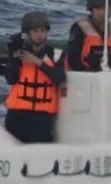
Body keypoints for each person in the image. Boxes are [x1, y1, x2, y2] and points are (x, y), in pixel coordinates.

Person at [4, 11, 66, 143]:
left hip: (42, 117)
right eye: (35, 31)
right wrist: (14, 59)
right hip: (17, 115)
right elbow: (11, 79)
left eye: (42, 30)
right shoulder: (19, 54)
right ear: (28, 33)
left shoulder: (56, 54)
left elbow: (60, 78)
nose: (39, 35)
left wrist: (38, 62)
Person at [66, 0, 111, 71]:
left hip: (109, 74)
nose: (103, 12)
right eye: (99, 8)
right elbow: (73, 58)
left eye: (106, 8)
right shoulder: (80, 27)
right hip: (82, 74)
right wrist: (87, 72)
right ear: (91, 9)